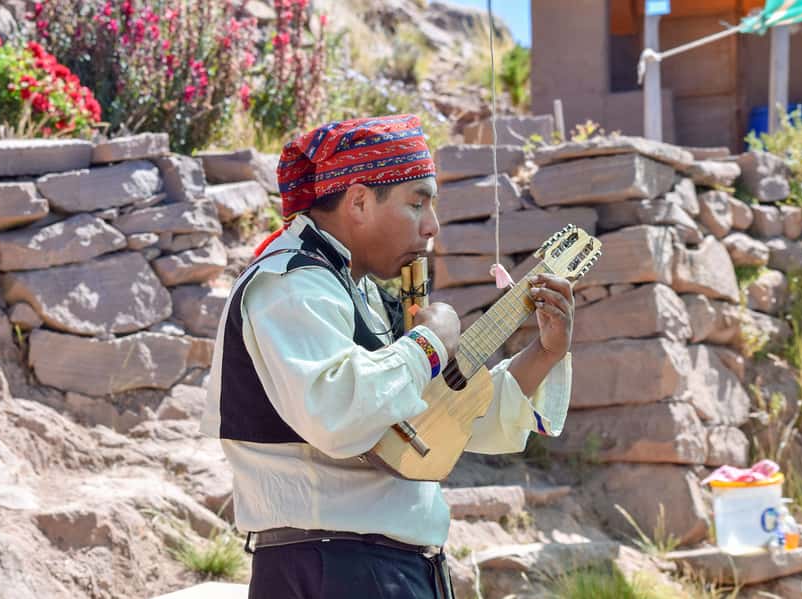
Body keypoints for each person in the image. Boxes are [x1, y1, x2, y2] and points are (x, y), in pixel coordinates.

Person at [200, 114, 574, 599]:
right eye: (417, 203)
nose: (431, 226)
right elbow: (338, 412)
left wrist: (544, 352)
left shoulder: (366, 295)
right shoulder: (292, 284)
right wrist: (429, 343)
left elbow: (439, 425)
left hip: (382, 569)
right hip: (334, 568)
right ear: (358, 201)